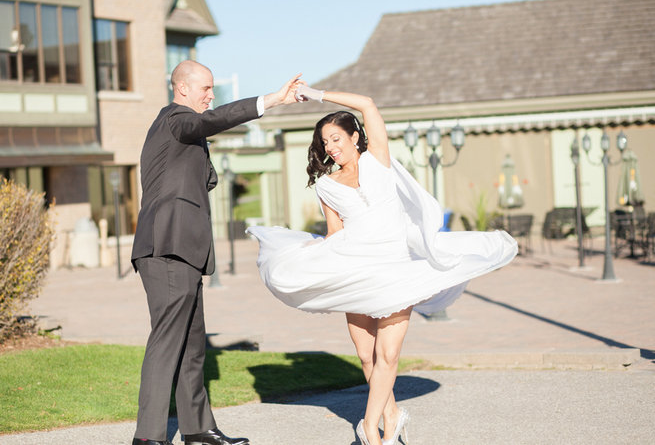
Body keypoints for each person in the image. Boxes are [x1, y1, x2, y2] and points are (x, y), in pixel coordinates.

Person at [247, 85, 518, 445]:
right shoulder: (326, 185)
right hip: (353, 268)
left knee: (387, 354)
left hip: (395, 269)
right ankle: (393, 418)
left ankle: (368, 429)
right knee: (365, 355)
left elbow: (368, 104)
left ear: (355, 136)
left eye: (336, 138)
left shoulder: (378, 158)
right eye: (325, 142)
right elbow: (334, 233)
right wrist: (311, 261)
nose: (330, 147)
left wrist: (316, 93)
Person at [130, 60, 301, 445]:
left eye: (212, 88)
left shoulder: (186, 135)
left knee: (192, 345)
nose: (211, 95)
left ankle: (197, 429)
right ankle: (148, 437)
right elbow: (209, 121)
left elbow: (201, 175)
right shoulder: (174, 118)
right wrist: (271, 100)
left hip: (185, 250)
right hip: (167, 247)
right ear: (182, 89)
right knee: (167, 342)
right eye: (205, 88)